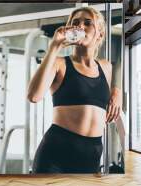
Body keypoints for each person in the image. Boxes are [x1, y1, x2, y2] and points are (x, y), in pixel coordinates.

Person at [27, 7, 122, 173]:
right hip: (55, 155)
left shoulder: (106, 67)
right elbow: (34, 96)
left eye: (88, 23)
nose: (80, 27)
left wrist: (117, 91)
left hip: (91, 156)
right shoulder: (59, 64)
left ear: (100, 34)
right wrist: (54, 46)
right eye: (75, 23)